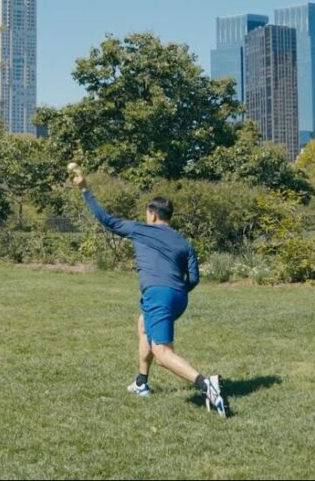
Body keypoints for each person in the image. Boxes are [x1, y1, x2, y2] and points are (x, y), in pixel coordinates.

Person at [72, 168, 228, 418]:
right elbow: (195, 278)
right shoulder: (184, 242)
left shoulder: (141, 230)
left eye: (147, 214)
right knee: (143, 325)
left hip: (159, 295)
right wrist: (176, 291)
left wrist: (85, 189)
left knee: (162, 352)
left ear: (153, 215)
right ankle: (141, 382)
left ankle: (205, 384)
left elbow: (107, 220)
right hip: (179, 297)